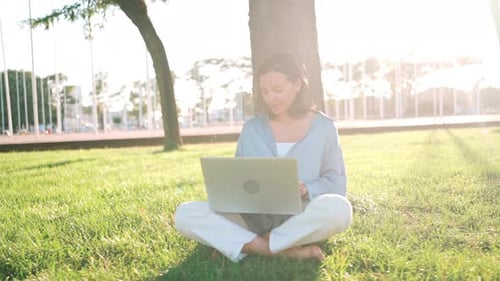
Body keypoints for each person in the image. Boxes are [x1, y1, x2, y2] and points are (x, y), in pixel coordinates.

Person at [174, 53, 352, 262]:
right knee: (185, 214)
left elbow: (336, 182)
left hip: (300, 215)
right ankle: (278, 248)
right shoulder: (252, 128)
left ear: (297, 84)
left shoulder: (324, 127)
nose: (271, 98)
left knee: (339, 210)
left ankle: (249, 244)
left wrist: (307, 189)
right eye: (265, 92)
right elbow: (238, 179)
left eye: (278, 90)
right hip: (251, 216)